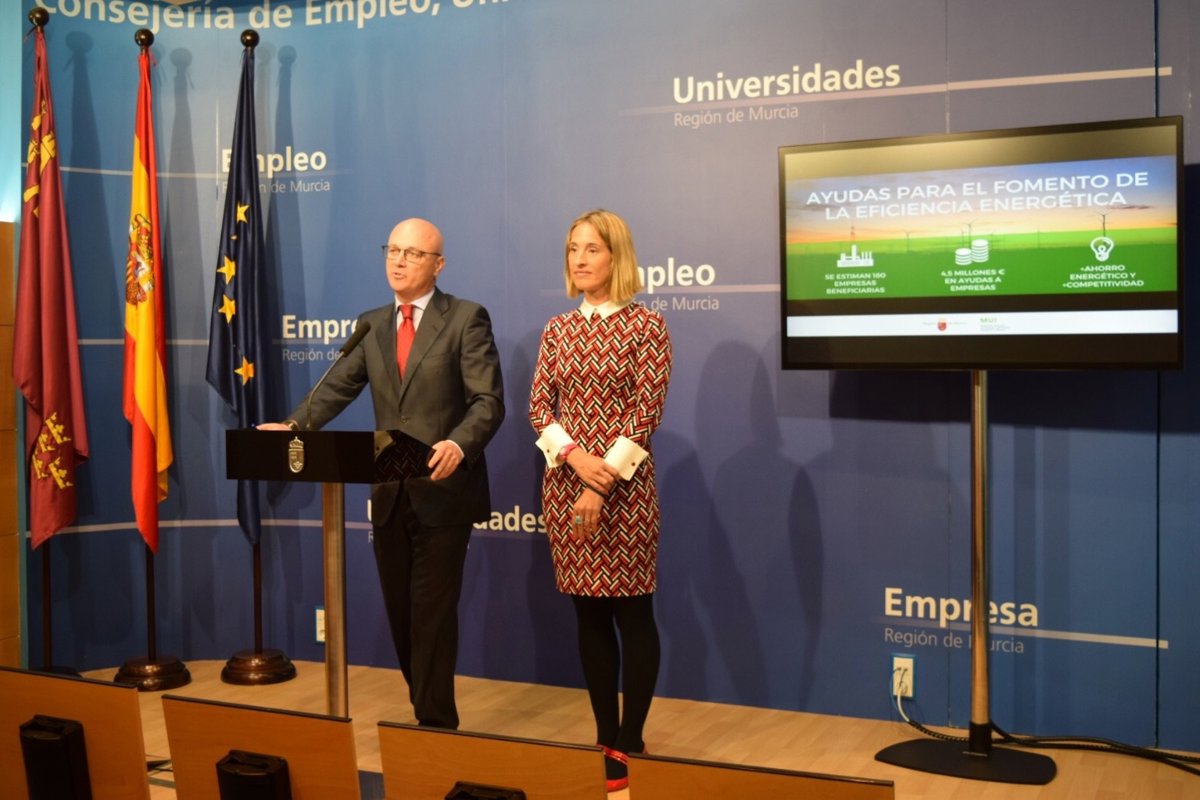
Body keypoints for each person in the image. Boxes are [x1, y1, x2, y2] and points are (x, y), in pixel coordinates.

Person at [260, 218, 504, 730]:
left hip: (443, 491)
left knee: (431, 617)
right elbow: (335, 389)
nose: (398, 260)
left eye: (412, 253)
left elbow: (487, 400)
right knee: (402, 617)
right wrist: (294, 425)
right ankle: (427, 718)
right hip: (390, 494)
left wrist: (459, 444)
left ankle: (435, 730)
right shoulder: (371, 325)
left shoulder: (465, 318)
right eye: (392, 250)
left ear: (438, 265)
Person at [528, 209, 672, 792]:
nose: (580, 259)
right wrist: (573, 460)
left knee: (632, 613)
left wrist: (599, 479)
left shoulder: (647, 326)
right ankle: (605, 736)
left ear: (617, 256)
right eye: (573, 249)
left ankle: (631, 739)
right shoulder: (557, 329)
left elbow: (646, 413)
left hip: (625, 492)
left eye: (592, 248)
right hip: (566, 487)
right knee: (588, 614)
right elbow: (540, 410)